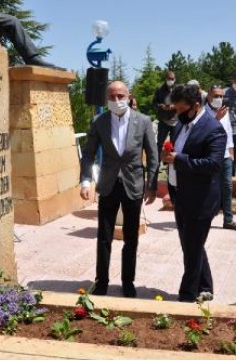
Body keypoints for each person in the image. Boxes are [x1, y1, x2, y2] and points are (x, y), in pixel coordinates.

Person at [79, 81, 158, 298]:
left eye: (121, 96)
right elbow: (88, 154)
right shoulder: (100, 122)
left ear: (128, 95)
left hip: (133, 185)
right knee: (104, 236)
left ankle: (128, 281)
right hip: (108, 185)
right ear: (107, 98)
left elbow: (153, 155)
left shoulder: (143, 121)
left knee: (131, 237)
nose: (117, 101)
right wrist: (85, 181)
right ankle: (101, 281)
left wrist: (152, 185)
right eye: (112, 97)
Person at [161, 84, 227, 302]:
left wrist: (179, 160)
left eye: (181, 110)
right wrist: (168, 155)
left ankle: (187, 294)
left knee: (192, 247)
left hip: (201, 199)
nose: (177, 115)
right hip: (180, 194)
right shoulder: (181, 125)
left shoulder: (213, 129)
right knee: (192, 244)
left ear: (196, 106)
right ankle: (205, 286)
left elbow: (213, 164)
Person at [205, 86, 236, 231]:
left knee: (227, 186)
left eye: (221, 96)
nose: (218, 99)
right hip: (210, 156)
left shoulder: (225, 110)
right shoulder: (203, 112)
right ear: (209, 95)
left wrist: (231, 150)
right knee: (210, 187)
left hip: (226, 155)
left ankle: (228, 219)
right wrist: (216, 119)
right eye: (216, 95)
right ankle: (206, 217)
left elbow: (228, 131)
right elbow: (203, 132)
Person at [153, 71, 177, 156]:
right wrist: (161, 106)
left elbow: (182, 102)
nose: (170, 80)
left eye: (172, 79)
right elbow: (154, 103)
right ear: (165, 79)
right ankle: (156, 165)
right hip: (163, 121)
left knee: (174, 145)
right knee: (159, 144)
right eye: (169, 78)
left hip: (176, 121)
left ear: (175, 79)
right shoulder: (159, 89)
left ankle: (170, 166)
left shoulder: (178, 89)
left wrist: (174, 106)